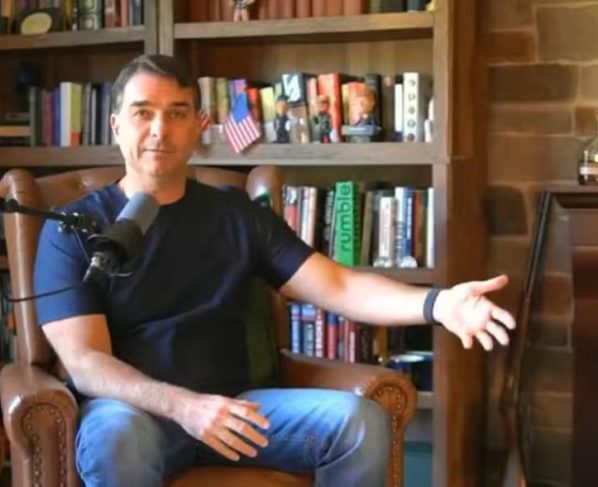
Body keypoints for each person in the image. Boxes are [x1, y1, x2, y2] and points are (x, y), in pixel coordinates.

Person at [33, 54, 515, 487]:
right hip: (135, 415)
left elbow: (338, 284)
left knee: (359, 421)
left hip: (238, 409)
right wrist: (186, 407)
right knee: (115, 435)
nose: (160, 129)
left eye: (177, 113)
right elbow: (85, 362)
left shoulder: (236, 215)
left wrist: (438, 304)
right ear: (116, 125)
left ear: (199, 126)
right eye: (143, 113)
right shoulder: (73, 229)